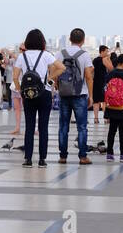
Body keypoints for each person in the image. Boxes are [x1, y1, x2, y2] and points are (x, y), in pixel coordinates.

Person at [13, 30, 55, 167]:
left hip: (28, 94)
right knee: (43, 127)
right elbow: (61, 67)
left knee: (29, 127)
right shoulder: (46, 55)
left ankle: (28, 159)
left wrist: (20, 90)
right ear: (42, 41)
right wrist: (49, 79)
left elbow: (15, 77)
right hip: (44, 93)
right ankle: (42, 159)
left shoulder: (22, 56)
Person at [51, 29, 93, 164]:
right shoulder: (85, 55)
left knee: (63, 126)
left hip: (64, 94)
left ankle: (63, 156)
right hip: (80, 94)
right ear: (83, 40)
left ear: (70, 38)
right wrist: (91, 96)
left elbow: (54, 73)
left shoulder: (60, 53)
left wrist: (58, 86)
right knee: (82, 127)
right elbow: (88, 76)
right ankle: (82, 156)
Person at [92, 46, 111, 127]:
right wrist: (109, 59)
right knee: (104, 101)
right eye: (106, 51)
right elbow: (111, 68)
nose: (107, 53)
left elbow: (92, 71)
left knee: (96, 101)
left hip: (95, 82)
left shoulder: (95, 60)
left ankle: (96, 119)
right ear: (102, 52)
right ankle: (106, 118)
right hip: (103, 83)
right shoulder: (104, 59)